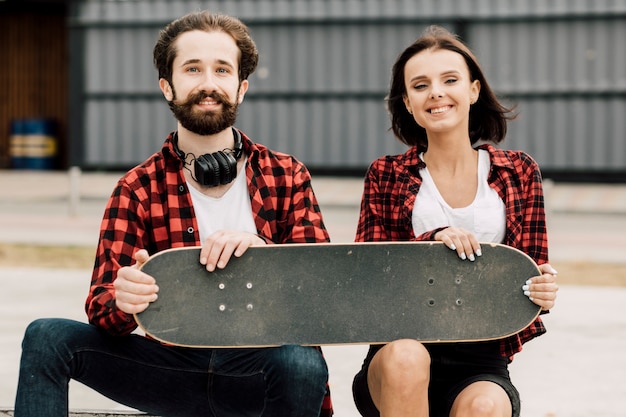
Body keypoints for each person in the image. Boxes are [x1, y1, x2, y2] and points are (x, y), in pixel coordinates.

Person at [15, 11, 333, 417]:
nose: (208, 84)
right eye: (192, 69)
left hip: (264, 372)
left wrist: (262, 252)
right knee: (46, 336)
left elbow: (323, 296)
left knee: (300, 360)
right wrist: (124, 300)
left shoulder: (286, 174)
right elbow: (100, 308)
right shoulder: (137, 187)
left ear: (241, 87)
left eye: (222, 70)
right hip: (170, 368)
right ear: (167, 87)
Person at [351, 26, 559, 417]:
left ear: (474, 90)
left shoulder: (518, 171)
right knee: (407, 358)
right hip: (399, 347)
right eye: (420, 85)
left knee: (484, 406)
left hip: (480, 358)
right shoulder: (386, 174)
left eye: (450, 80)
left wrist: (541, 291)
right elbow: (369, 276)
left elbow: (528, 272)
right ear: (408, 103)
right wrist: (433, 240)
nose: (436, 93)